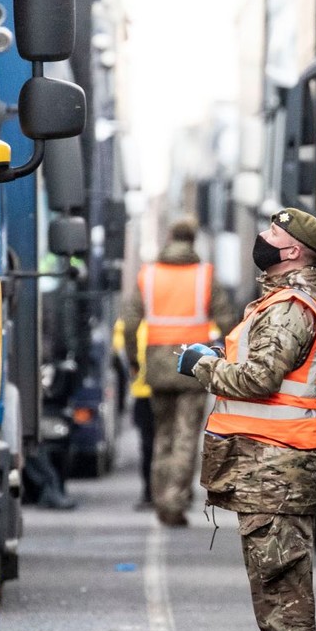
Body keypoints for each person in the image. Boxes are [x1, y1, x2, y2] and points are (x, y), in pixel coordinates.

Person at [177, 207, 316, 631]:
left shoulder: (291, 307)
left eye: (272, 234)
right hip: (268, 467)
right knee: (275, 581)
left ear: (291, 251)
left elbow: (259, 379)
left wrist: (202, 364)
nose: (261, 239)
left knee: (283, 584)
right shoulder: (278, 301)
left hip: (277, 468)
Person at [123, 215, 236, 527]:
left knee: (163, 434)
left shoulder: (149, 275)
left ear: (170, 237)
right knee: (187, 435)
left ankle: (160, 497)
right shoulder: (204, 276)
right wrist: (229, 355)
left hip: (158, 365)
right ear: (193, 240)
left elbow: (131, 321)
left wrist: (134, 359)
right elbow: (227, 320)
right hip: (193, 364)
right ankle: (174, 500)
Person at [112, 317, 154, 508]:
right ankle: (166, 493)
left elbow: (120, 351)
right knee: (165, 444)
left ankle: (151, 493)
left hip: (145, 393)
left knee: (149, 445)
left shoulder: (130, 323)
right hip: (165, 391)